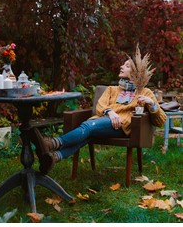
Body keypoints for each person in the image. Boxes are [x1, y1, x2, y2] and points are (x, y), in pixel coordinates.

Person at [30, 60, 166, 174]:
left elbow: (161, 121)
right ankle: (54, 157)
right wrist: (110, 112)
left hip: (122, 127)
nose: (121, 66)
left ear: (136, 72)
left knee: (89, 126)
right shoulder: (112, 89)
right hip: (104, 121)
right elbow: (100, 106)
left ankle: (51, 143)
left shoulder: (145, 92)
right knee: (89, 132)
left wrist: (152, 104)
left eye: (127, 65)